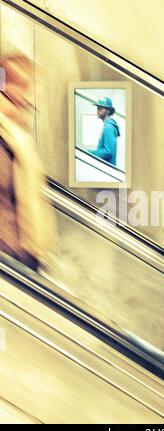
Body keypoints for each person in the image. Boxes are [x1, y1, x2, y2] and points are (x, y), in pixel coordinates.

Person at [0, 54, 57, 271]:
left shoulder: (18, 142)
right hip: (9, 264)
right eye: (13, 100)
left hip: (19, 263)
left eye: (27, 106)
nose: (19, 113)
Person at [89, 97, 120, 166]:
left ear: (108, 110)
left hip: (107, 170)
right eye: (98, 107)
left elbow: (108, 152)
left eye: (101, 108)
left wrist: (90, 153)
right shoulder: (107, 125)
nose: (98, 110)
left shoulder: (108, 127)